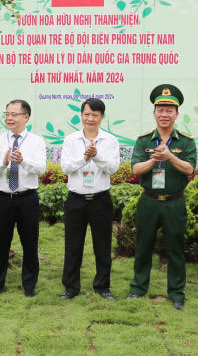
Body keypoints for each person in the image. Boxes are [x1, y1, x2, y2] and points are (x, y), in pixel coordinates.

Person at [126, 84, 197, 310]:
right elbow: (136, 170)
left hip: (174, 202)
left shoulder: (186, 141)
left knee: (175, 249)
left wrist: (170, 157)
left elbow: (189, 169)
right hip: (149, 201)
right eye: (160, 110)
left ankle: (176, 293)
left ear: (176, 114)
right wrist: (154, 160)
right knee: (143, 247)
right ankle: (138, 288)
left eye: (169, 110)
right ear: (154, 113)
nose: (164, 114)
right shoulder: (144, 140)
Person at [59, 97, 120, 302]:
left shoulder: (110, 140)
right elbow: (66, 167)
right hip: (75, 199)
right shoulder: (71, 140)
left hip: (101, 200)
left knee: (102, 246)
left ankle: (102, 286)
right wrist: (84, 158)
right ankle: (71, 287)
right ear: (81, 116)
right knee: (72, 245)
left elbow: (113, 168)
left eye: (95, 115)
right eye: (86, 114)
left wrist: (97, 156)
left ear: (102, 117)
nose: (90, 118)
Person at [0, 99, 46, 297]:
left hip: (27, 198)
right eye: (7, 114)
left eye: (14, 114)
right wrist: (3, 163)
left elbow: (41, 169)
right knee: (1, 243)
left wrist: (23, 161)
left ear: (26, 117)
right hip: (3, 198)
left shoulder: (37, 141)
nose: (9, 118)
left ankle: (29, 286)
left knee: (30, 242)